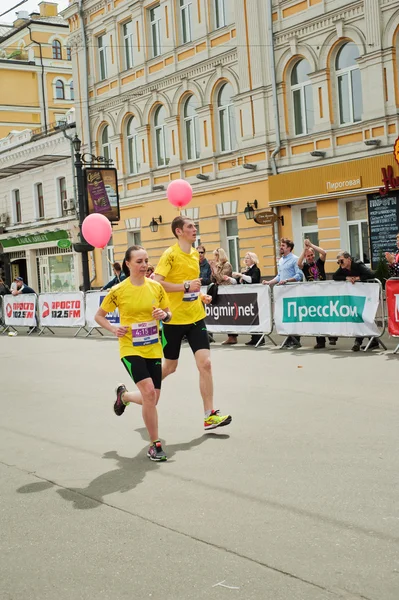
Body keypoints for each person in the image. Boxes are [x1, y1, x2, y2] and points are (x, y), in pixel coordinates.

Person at [154, 216, 232, 431]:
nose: (194, 229)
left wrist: (200, 296)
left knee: (205, 364)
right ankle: (146, 384)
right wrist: (185, 286)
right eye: (190, 226)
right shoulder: (170, 254)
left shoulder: (195, 255)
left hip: (196, 317)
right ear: (179, 231)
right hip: (173, 320)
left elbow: (193, 287)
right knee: (170, 367)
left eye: (194, 226)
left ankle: (209, 415)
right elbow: (157, 283)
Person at [94, 245, 171, 462]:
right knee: (148, 392)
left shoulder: (156, 287)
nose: (144, 265)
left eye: (146, 260)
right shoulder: (118, 290)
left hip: (153, 347)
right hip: (130, 347)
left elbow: (169, 314)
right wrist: (113, 328)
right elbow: (99, 316)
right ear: (127, 264)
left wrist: (163, 315)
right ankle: (155, 445)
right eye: (139, 261)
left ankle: (124, 396)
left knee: (153, 399)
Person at [332, 251, 378, 352]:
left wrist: (358, 278)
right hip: (357, 296)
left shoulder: (357, 264)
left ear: (349, 259)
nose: (340, 264)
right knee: (359, 316)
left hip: (368, 294)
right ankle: (368, 341)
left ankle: (365, 341)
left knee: (364, 316)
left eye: (341, 261)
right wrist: (346, 278)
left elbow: (371, 274)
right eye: (338, 262)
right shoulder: (343, 268)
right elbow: (335, 276)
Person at [298, 239, 338, 349]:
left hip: (324, 293)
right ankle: (320, 341)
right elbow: (299, 263)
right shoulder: (305, 267)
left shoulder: (319, 263)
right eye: (308, 256)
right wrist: (304, 250)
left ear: (314, 255)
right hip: (312, 295)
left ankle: (332, 336)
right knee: (316, 317)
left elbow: (324, 253)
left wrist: (311, 245)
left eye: (311, 255)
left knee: (327, 315)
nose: (310, 257)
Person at [263, 238, 303, 348]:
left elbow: (299, 275)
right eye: (281, 245)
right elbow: (279, 276)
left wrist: (287, 281)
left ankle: (295, 339)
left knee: (293, 315)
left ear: (289, 248)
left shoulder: (295, 259)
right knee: (286, 316)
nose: (281, 247)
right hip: (282, 293)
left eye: (283, 245)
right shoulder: (280, 260)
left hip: (292, 291)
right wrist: (269, 282)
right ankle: (288, 338)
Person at [224, 252, 263, 346]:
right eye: (245, 258)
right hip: (248, 297)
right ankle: (254, 337)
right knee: (251, 317)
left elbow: (253, 280)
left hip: (254, 296)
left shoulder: (256, 270)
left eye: (248, 258)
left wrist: (241, 275)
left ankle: (259, 338)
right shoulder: (246, 270)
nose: (245, 260)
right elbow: (236, 282)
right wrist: (228, 279)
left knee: (256, 316)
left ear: (253, 259)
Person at [210, 248, 236, 345]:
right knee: (225, 314)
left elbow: (221, 278)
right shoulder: (218, 266)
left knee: (229, 313)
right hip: (220, 291)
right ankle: (229, 336)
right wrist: (213, 270)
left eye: (216, 255)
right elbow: (213, 279)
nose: (215, 258)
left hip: (227, 291)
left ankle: (232, 336)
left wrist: (216, 270)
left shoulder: (227, 265)